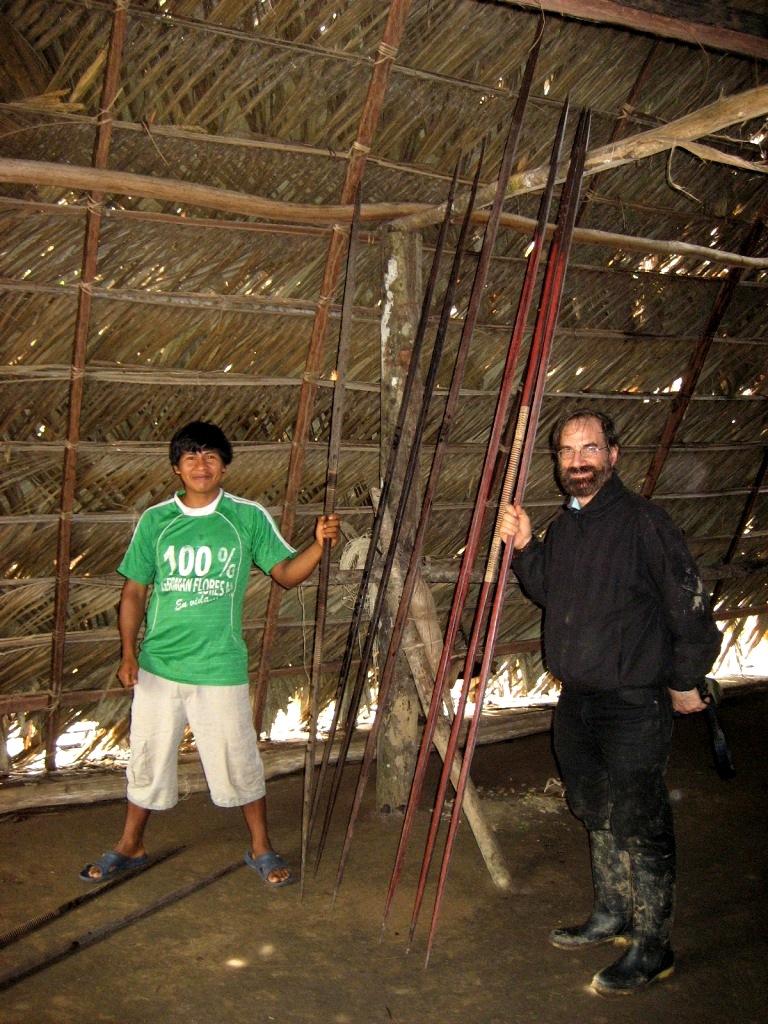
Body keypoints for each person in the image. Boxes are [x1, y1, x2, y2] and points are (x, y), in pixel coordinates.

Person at [499, 407, 722, 995]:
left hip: (632, 701)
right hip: (577, 700)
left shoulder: (645, 523)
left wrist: (683, 678)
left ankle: (654, 946)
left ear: (613, 455)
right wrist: (524, 548)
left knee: (641, 819)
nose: (578, 461)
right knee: (594, 806)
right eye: (568, 452)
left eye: (590, 449)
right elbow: (550, 591)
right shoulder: (567, 526)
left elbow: (691, 608)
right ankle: (612, 914)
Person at [81, 421, 341, 888]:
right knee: (148, 756)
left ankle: (260, 847)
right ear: (177, 467)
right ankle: (130, 845)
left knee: (239, 757)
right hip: (159, 667)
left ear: (224, 465)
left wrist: (319, 546)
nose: (201, 465)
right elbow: (135, 590)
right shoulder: (156, 521)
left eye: (211, 457)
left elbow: (284, 573)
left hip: (220, 666)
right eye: (191, 457)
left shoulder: (246, 517)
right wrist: (128, 654)